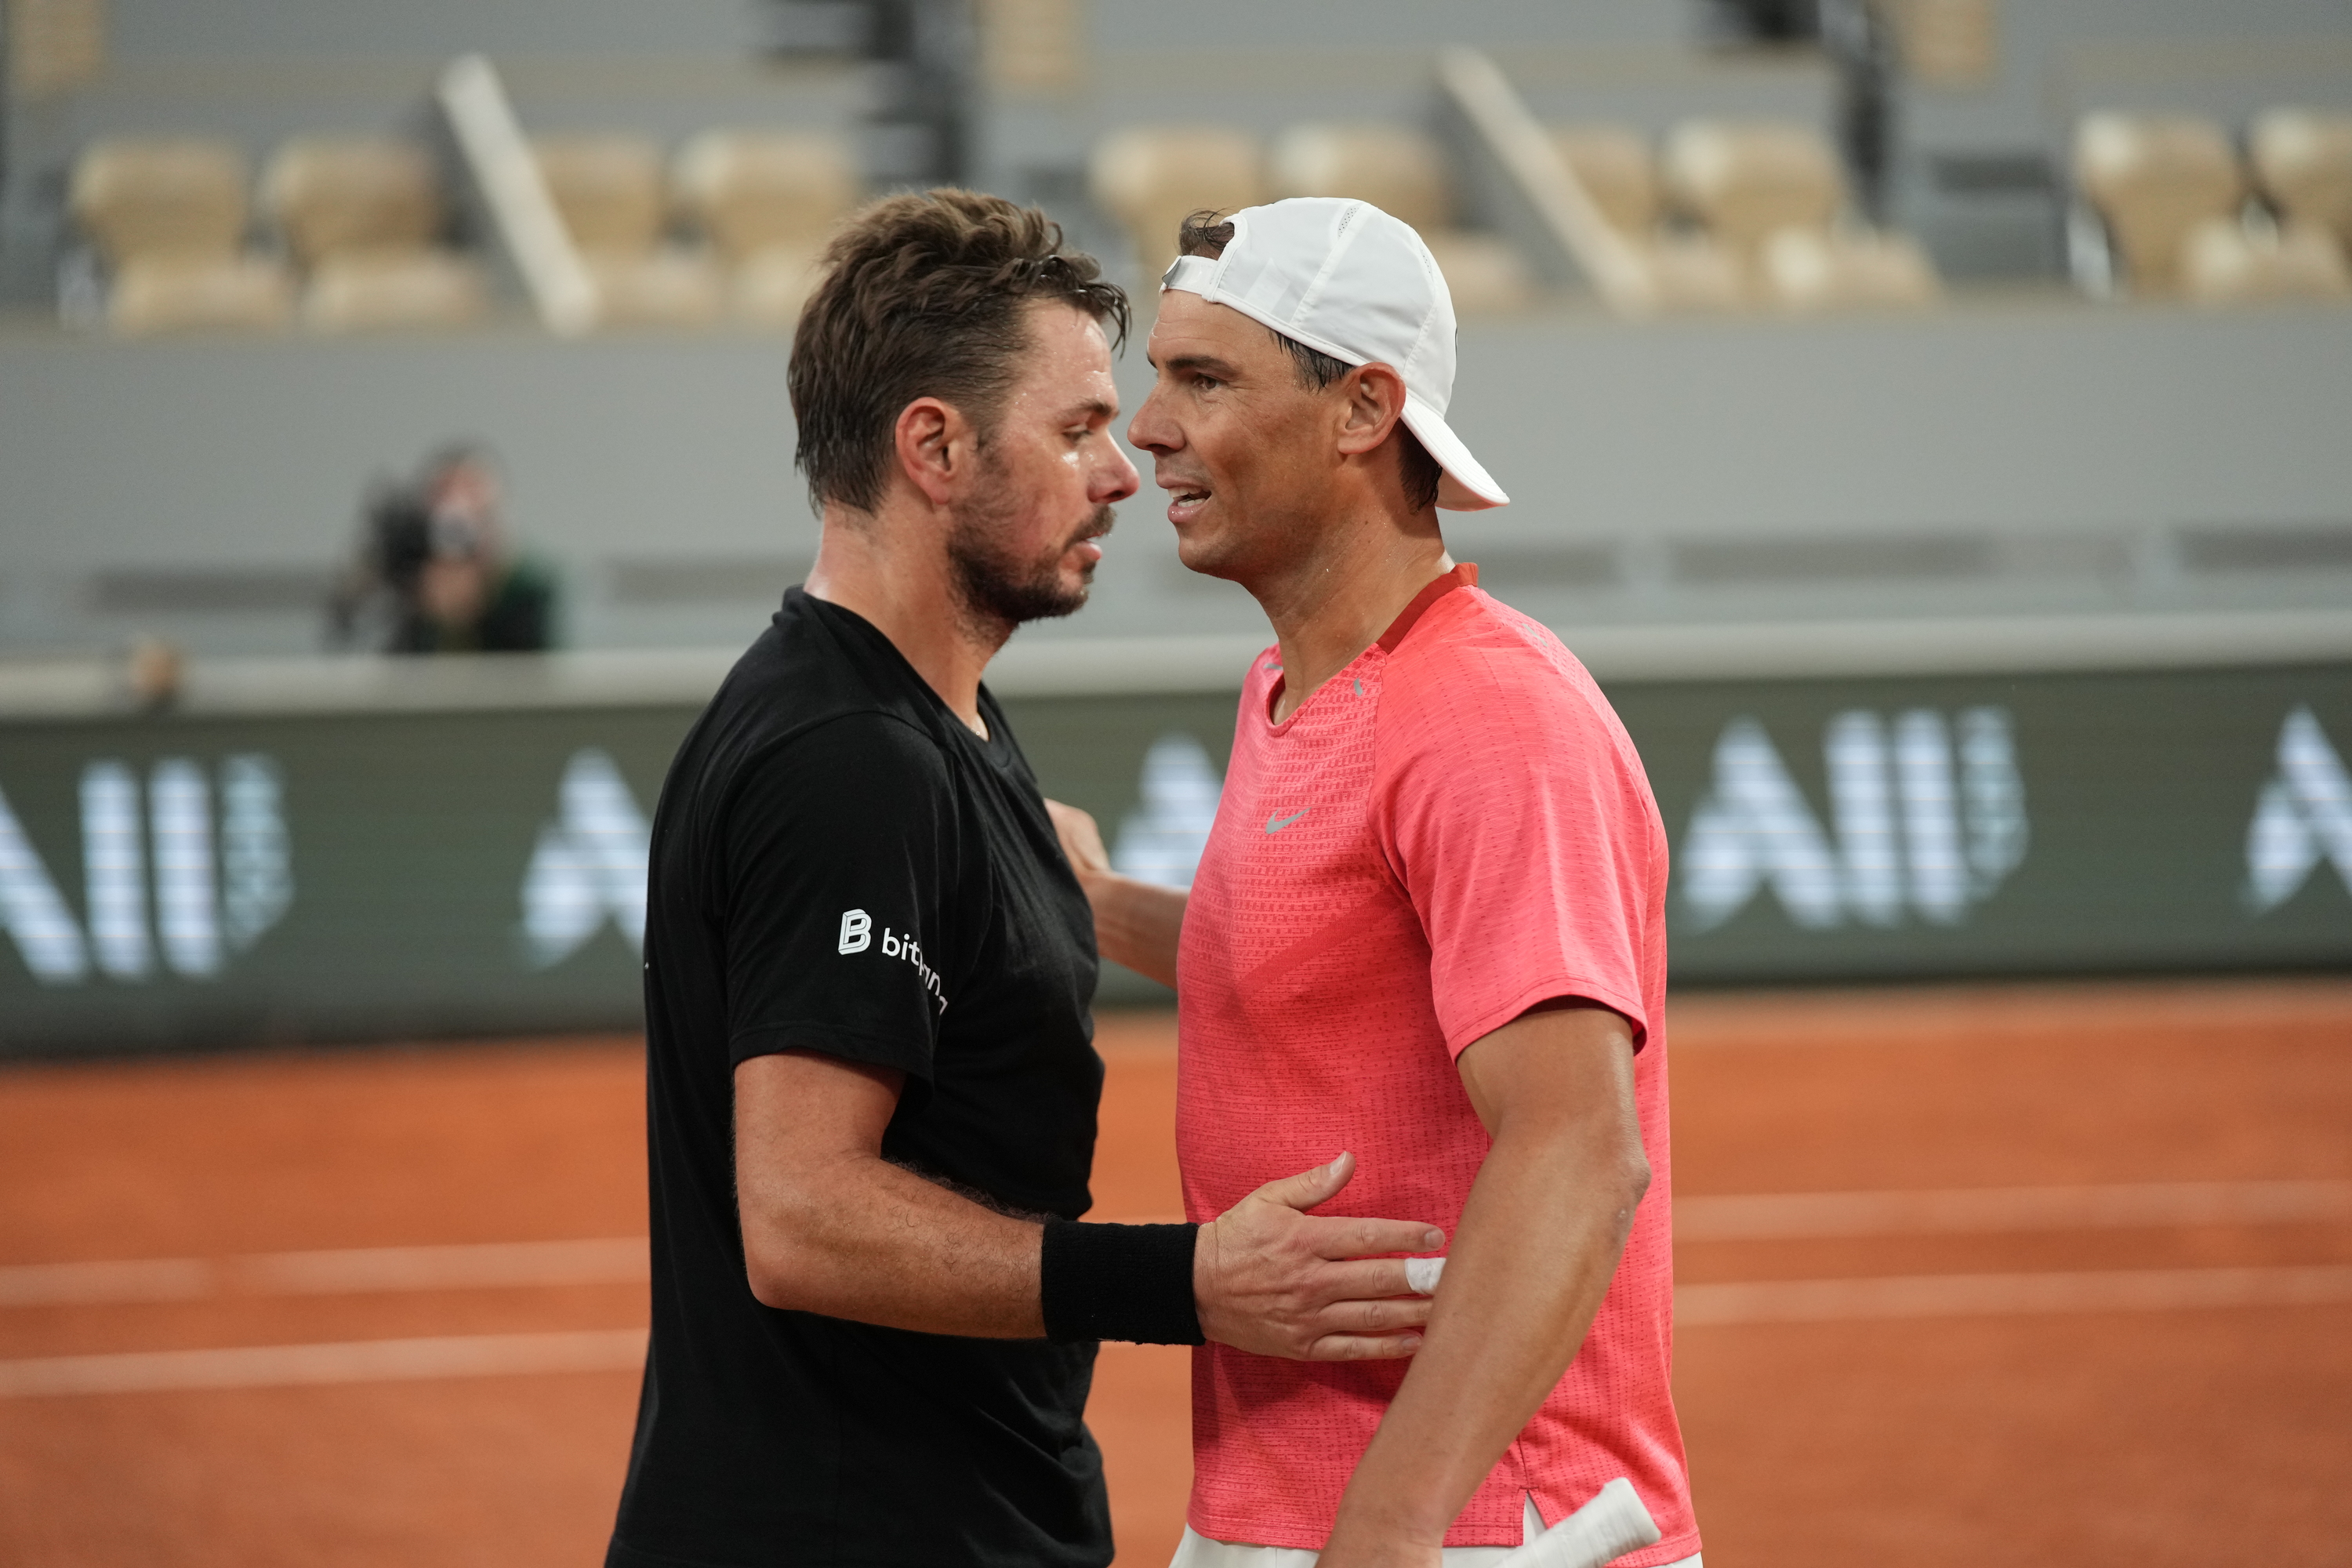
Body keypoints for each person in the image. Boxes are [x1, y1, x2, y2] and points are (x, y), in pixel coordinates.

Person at [607, 190, 1447, 1568]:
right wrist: (1190, 1282)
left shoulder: (943, 726)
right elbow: (804, 1219)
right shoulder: (850, 763)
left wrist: (1101, 907)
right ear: (933, 446)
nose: (1124, 470)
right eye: (1076, 432)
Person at [1051, 198, 1703, 1568]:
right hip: (1291, 1504)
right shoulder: (1296, 684)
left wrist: (1392, 1528)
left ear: (1362, 410)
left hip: (1475, 1523)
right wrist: (1092, 902)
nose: (1146, 429)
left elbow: (1580, 1154)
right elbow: (1326, 956)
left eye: (1203, 379)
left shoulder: (1487, 717)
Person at [328, 444, 556, 654]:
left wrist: (486, 596)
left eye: (472, 489)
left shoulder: (529, 583)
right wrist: (418, 602)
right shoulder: (402, 567)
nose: (456, 504)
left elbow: (541, 669)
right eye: (443, 489)